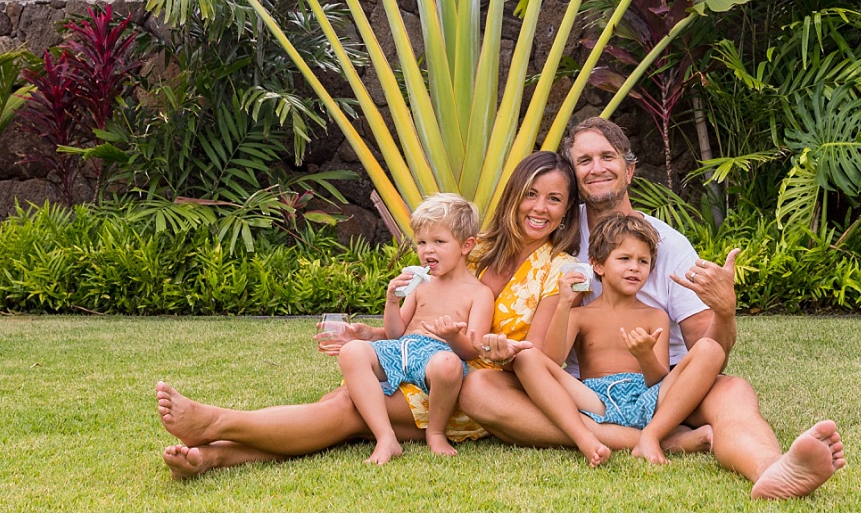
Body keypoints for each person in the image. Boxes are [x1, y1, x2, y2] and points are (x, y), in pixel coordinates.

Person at [459, 116, 847, 500]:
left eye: (607, 157)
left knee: (733, 392)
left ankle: (770, 468)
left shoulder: (669, 245)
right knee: (479, 390)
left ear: (629, 170)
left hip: (663, 387)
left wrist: (725, 312)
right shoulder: (557, 228)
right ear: (573, 176)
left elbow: (708, 350)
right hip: (579, 392)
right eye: (584, 161)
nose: (596, 169)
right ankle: (660, 440)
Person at [153, 151, 584, 477]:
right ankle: (212, 456)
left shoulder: (558, 269)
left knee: (345, 407)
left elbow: (544, 357)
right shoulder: (477, 245)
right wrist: (373, 332)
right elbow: (425, 316)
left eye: (554, 199)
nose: (540, 208)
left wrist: (498, 347)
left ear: (567, 209)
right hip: (420, 361)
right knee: (343, 410)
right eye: (531, 194)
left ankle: (214, 423)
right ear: (514, 195)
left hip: (470, 387)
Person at [514, 211, 726, 466]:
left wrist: (644, 356)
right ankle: (585, 438)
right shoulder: (580, 316)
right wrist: (563, 305)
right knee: (526, 358)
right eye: (624, 258)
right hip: (595, 401)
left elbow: (658, 380)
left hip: (649, 399)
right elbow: (551, 361)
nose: (634, 267)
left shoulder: (655, 316)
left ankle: (653, 435)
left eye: (643, 261)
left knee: (710, 349)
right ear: (598, 265)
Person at [339, 193, 490, 463]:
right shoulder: (421, 284)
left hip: (437, 356)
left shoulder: (479, 294)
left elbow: (472, 351)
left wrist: (453, 336)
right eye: (421, 242)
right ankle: (385, 436)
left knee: (448, 364)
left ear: (466, 245)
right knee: (352, 351)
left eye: (439, 242)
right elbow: (396, 333)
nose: (427, 250)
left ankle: (436, 432)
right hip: (402, 349)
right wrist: (392, 301)